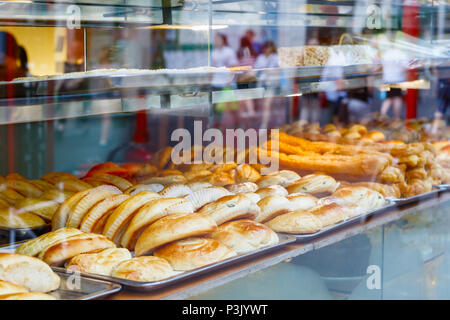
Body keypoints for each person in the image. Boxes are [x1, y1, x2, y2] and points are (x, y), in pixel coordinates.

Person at [380, 40, 409, 119]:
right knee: (397, 98)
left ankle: (382, 116)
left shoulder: (386, 54)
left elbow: (382, 67)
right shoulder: (402, 54)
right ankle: (396, 118)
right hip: (398, 79)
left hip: (387, 79)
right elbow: (405, 69)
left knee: (388, 98)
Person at [254, 41, 280, 129]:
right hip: (261, 83)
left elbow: (279, 70)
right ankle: (268, 122)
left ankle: (264, 125)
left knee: (267, 104)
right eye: (266, 47)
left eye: (269, 47)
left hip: (272, 83)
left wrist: (268, 71)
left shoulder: (276, 57)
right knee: (264, 105)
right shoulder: (260, 57)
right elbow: (255, 70)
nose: (267, 49)